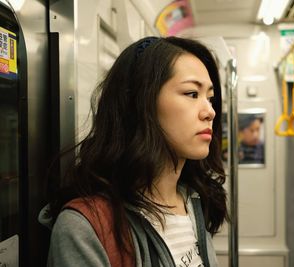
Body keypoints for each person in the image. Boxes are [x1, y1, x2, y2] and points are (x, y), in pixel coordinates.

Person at [38, 36, 228, 267]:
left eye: (210, 98)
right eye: (191, 94)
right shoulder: (87, 226)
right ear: (141, 102)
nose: (210, 112)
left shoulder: (193, 202)